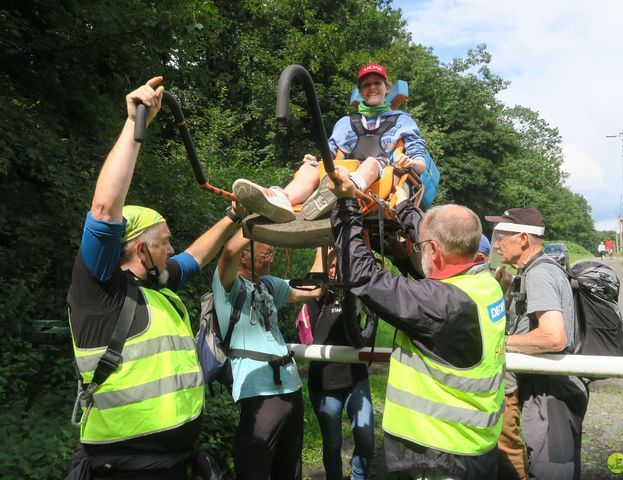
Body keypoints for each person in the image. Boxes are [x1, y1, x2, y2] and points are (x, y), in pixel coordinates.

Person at [66, 77, 243, 479]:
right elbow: (105, 208)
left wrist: (235, 215)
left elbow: (196, 258)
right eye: (164, 242)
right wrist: (134, 124)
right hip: (124, 469)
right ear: (141, 249)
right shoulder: (102, 292)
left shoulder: (156, 289)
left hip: (169, 464)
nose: (171, 249)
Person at [328, 170, 507, 480]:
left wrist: (346, 205)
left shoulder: (441, 303)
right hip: (471, 448)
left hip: (439, 457)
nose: (419, 248)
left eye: (424, 245)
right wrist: (406, 210)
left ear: (434, 250)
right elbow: (439, 241)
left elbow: (362, 277)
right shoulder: (484, 284)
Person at [232, 62, 429, 223]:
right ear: (360, 92)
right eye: (366, 85)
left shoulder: (402, 120)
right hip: (341, 174)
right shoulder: (345, 123)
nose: (372, 88)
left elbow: (419, 162)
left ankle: (345, 192)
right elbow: (331, 156)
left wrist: (411, 163)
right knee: (309, 167)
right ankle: (281, 199)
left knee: (371, 162)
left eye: (377, 83)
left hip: (378, 178)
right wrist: (314, 161)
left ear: (386, 88)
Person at [485, 208, 589, 480]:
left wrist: (502, 342)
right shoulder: (536, 269)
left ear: (522, 239)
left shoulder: (539, 274)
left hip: (551, 390)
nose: (496, 244)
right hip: (549, 387)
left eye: (502, 237)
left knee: (550, 471)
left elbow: (553, 337)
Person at [212, 231, 322, 480]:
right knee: (254, 470)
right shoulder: (228, 287)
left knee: (290, 468)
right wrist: (255, 220)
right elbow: (227, 251)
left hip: (291, 387)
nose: (271, 260)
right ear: (244, 257)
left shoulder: (269, 284)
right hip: (258, 392)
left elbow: (312, 290)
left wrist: (320, 245)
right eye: (266, 254)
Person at [303, 248, 375, 480]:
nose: (335, 271)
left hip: (355, 379)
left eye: (340, 266)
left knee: (366, 439)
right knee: (332, 443)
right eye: (331, 267)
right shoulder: (318, 298)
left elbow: (369, 274)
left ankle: (358, 476)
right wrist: (321, 246)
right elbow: (314, 280)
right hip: (324, 382)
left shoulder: (355, 295)